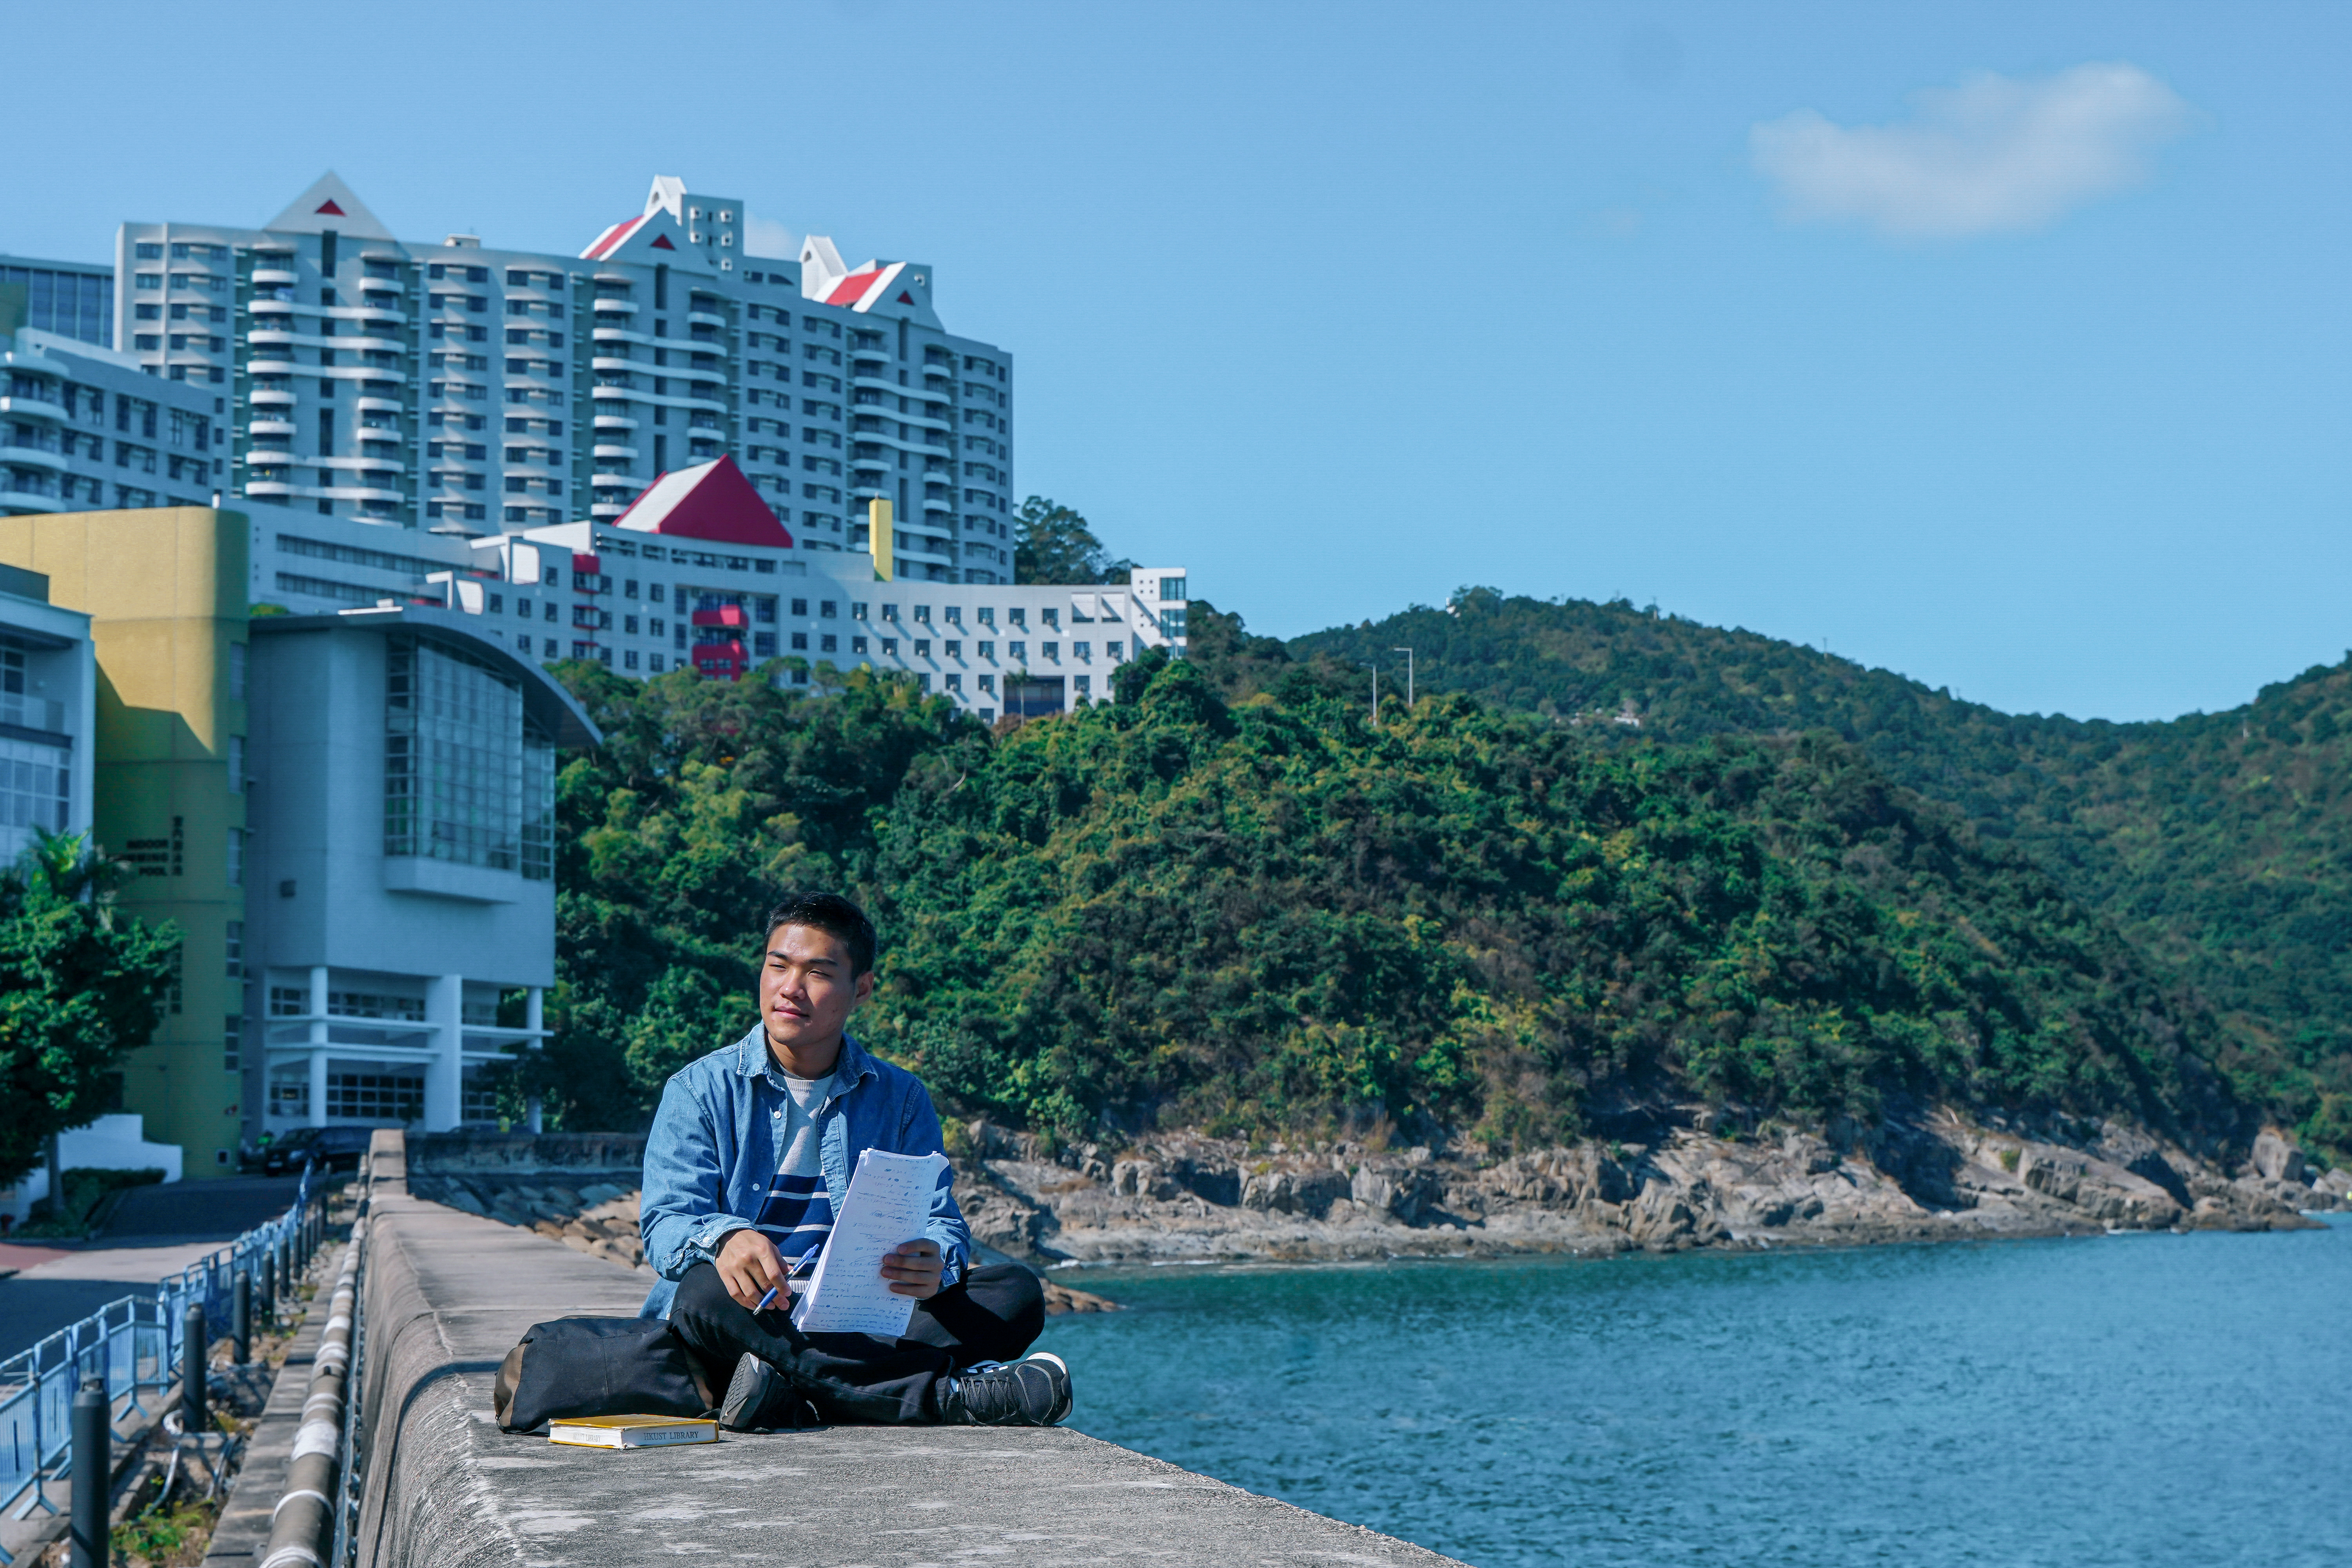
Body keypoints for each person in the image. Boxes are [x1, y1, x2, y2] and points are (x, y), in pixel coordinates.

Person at [639, 891, 1072, 1430]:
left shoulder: (902, 1097)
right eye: (778, 966)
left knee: (1016, 1292)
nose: (790, 988)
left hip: (862, 1320)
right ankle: (945, 1398)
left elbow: (941, 1220)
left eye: (818, 973)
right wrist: (726, 1239)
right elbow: (664, 1226)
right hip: (755, 1318)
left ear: (861, 988)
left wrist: (936, 1260)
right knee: (701, 1295)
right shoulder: (700, 1090)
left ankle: (800, 1393)